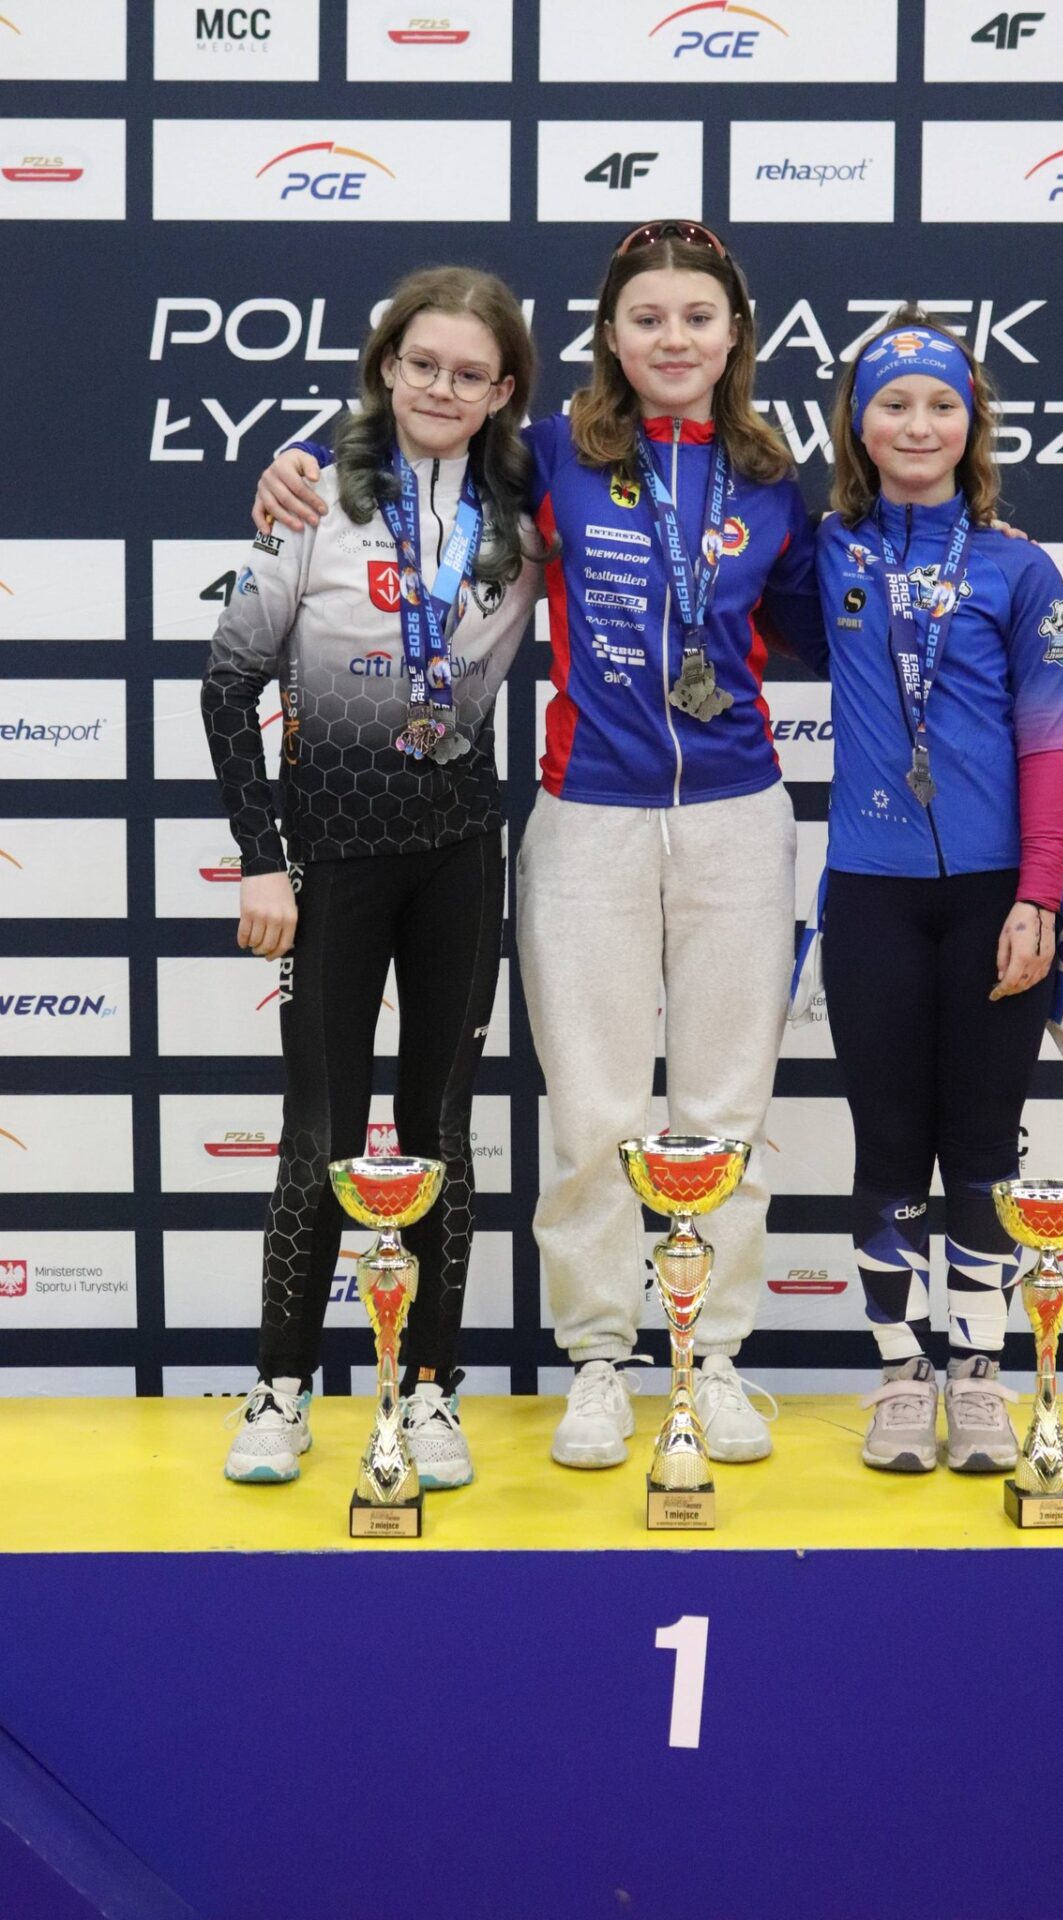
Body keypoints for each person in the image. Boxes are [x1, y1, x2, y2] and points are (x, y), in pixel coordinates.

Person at [252, 221, 829, 1472]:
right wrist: (294, 460)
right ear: (608, 334)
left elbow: (824, 622)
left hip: (739, 819)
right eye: (646, 317)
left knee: (726, 1108)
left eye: (696, 317)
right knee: (595, 1113)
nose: (672, 338)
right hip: (587, 819)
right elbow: (413, 438)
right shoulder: (551, 454)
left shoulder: (773, 475)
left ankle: (714, 1358)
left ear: (735, 334)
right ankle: (602, 1361)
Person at [205, 266, 548, 1488]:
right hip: (331, 854)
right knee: (322, 1131)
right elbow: (228, 684)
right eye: (422, 365)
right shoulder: (312, 496)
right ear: (386, 367)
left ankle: (433, 1391)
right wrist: (262, 861)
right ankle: (281, 1390)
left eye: (470, 373)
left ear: (502, 391)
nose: (441, 389)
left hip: (457, 851)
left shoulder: (531, 510)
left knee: (439, 1132)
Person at [816, 307, 1063, 1474]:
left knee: (980, 1148)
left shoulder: (1020, 567)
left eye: (941, 405)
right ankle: (897, 1375)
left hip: (994, 900)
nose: (917, 424)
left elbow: (1049, 746)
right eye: (893, 403)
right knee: (887, 1144)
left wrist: (1039, 896)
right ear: (858, 425)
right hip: (871, 896)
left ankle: (976, 1371)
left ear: (972, 426)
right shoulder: (822, 553)